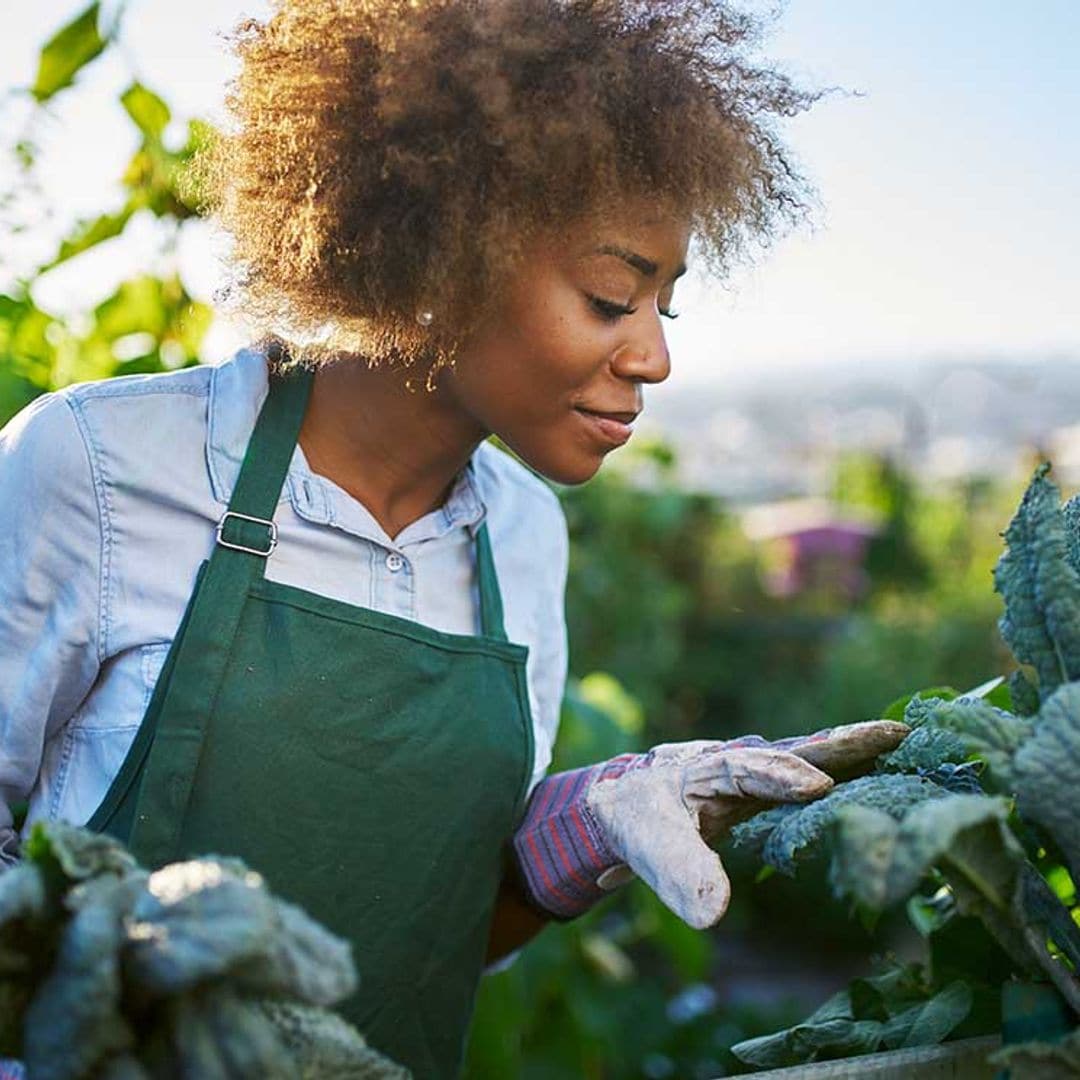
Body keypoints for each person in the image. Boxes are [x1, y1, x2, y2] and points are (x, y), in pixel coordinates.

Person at [0, 2, 907, 1077]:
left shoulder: (524, 540)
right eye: (612, 296)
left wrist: (586, 842)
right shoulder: (99, 468)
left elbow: (431, 942)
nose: (655, 356)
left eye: (666, 302)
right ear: (440, 252)